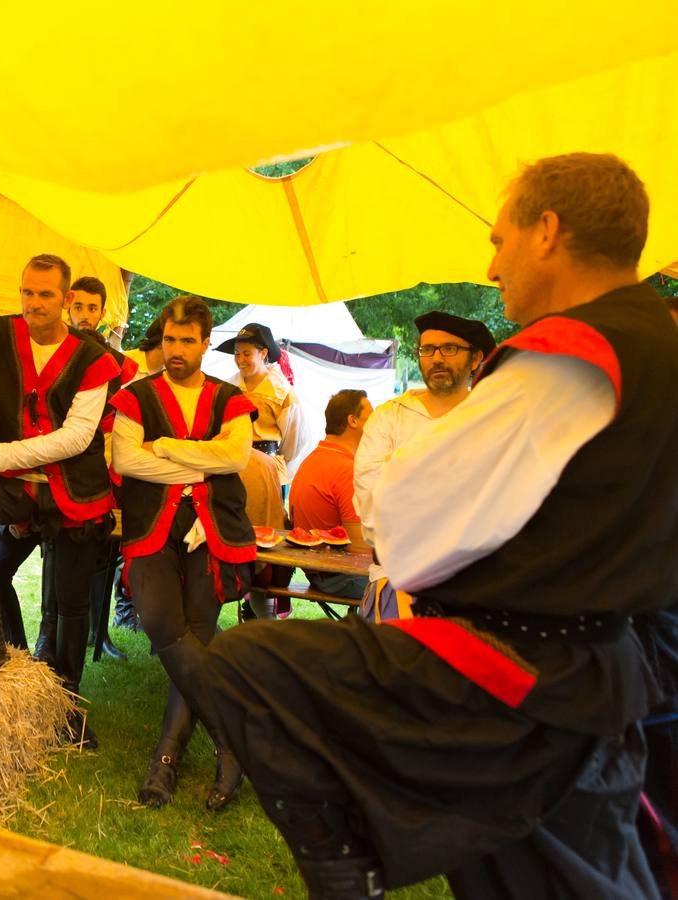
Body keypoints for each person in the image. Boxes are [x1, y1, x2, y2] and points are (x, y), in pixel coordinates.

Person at [157, 152, 676, 898]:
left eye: (499, 241)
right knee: (590, 869)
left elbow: (407, 523)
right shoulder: (661, 345)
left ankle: (347, 869)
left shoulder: (568, 353)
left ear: (548, 232)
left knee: (248, 662)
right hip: (604, 668)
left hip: (518, 676)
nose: (492, 266)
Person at [0, 253, 119, 749]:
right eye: (27, 292)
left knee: (70, 600)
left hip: (75, 486)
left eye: (45, 294)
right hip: (18, 483)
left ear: (65, 300)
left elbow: (75, 438)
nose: (33, 303)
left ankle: (66, 703)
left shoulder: (94, 359)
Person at [110, 296, 256, 812]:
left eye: (186, 340)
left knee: (196, 635)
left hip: (212, 532)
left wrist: (167, 446)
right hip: (152, 529)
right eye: (169, 339)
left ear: (203, 342)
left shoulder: (229, 397)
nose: (175, 349)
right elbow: (125, 459)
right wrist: (203, 465)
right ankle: (230, 739)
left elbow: (237, 454)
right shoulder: (135, 396)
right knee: (161, 625)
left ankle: (165, 760)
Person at [352, 310, 495, 620]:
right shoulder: (390, 418)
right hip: (399, 582)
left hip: (476, 588)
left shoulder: (493, 421)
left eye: (450, 349)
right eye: (427, 349)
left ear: (475, 358)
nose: (436, 358)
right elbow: (373, 507)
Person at [31, 274, 139, 664]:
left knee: (95, 553)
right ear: (69, 305)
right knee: (54, 550)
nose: (85, 315)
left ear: (103, 311)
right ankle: (47, 634)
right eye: (79, 307)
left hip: (98, 465)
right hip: (47, 464)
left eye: (93, 308)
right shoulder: (49, 351)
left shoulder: (120, 364)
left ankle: (99, 631)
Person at [287, 388, 372, 599]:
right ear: (353, 421)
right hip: (345, 577)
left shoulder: (314, 459)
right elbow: (360, 549)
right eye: (373, 417)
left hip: (319, 572)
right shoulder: (347, 470)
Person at [220, 322, 308, 482]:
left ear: (263, 353)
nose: (240, 360)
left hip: (267, 469)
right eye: (237, 353)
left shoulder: (281, 392)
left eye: (247, 353)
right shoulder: (228, 388)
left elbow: (295, 440)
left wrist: (276, 462)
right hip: (232, 468)